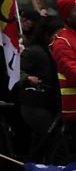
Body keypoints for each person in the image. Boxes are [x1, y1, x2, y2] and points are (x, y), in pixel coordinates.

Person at [21, 16, 63, 159]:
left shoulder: (59, 51)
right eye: (57, 35)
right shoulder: (34, 52)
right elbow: (16, 72)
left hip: (53, 102)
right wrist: (27, 78)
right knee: (49, 132)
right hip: (34, 103)